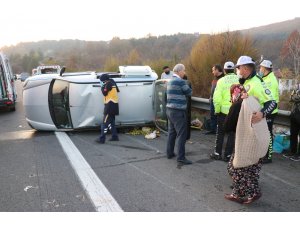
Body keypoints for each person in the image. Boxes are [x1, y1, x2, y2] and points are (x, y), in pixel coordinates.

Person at [224, 84, 270, 204]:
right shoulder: (254, 100)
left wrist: (232, 107)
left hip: (246, 142)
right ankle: (240, 192)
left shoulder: (237, 105)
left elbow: (227, 126)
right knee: (252, 169)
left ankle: (249, 193)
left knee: (234, 167)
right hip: (260, 140)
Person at [210, 61, 239, 161]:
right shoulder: (239, 79)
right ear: (234, 69)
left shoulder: (221, 81)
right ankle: (227, 155)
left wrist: (217, 110)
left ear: (225, 70)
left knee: (220, 133)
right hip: (235, 112)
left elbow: (216, 98)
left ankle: (217, 153)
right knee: (231, 134)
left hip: (223, 112)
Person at [166, 63, 193, 165]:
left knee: (172, 133)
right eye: (184, 70)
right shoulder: (180, 82)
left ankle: (169, 153)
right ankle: (181, 157)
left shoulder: (169, 81)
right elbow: (189, 92)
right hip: (178, 111)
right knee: (182, 134)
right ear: (179, 71)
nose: (184, 72)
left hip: (169, 110)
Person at [259, 60, 280, 163]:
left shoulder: (270, 81)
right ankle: (264, 153)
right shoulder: (266, 78)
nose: (259, 69)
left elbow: (270, 100)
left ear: (265, 68)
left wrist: (265, 111)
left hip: (270, 111)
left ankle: (269, 156)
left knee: (268, 134)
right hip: (266, 110)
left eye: (261, 67)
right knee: (264, 133)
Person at [96, 74, 120, 144]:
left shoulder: (108, 83)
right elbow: (117, 90)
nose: (101, 82)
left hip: (110, 106)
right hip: (114, 105)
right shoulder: (113, 82)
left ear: (104, 80)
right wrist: (104, 86)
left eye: (101, 81)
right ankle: (114, 137)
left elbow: (104, 93)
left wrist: (102, 87)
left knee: (104, 123)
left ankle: (101, 139)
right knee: (111, 123)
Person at [205, 64, 224, 135]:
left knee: (219, 116)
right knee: (212, 115)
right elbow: (213, 89)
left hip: (219, 101)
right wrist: (211, 96)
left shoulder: (223, 78)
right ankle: (213, 130)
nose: (212, 72)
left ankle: (219, 131)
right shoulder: (215, 78)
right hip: (213, 100)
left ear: (217, 70)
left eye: (213, 70)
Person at [283, 83, 300, 161]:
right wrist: (294, 96)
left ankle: (298, 155)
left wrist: (295, 96)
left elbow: (295, 97)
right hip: (294, 114)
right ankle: (292, 151)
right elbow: (290, 98)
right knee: (293, 134)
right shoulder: (297, 87)